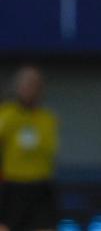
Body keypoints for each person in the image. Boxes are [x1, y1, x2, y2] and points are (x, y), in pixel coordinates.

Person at [0, 66, 59, 231]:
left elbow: (50, 152)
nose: (29, 89)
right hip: (12, 187)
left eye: (34, 84)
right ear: (17, 87)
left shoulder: (47, 118)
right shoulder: (6, 114)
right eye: (25, 84)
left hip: (40, 187)